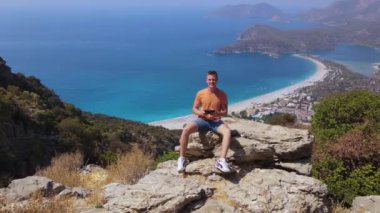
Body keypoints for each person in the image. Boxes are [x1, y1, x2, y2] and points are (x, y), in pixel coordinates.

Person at [177, 70, 232, 173]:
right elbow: (194, 108)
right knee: (186, 130)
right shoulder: (201, 93)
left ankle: (221, 161)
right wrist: (200, 113)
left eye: (214, 80)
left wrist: (217, 113)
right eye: (210, 80)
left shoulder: (222, 94)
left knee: (227, 132)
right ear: (206, 80)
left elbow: (225, 112)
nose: (212, 82)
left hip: (216, 121)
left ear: (217, 80)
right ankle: (182, 159)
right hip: (202, 120)